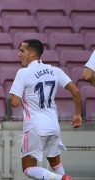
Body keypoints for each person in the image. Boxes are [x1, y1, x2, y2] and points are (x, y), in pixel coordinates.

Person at [9, 39, 82, 180]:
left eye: (22, 51)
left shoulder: (23, 73)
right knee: (55, 163)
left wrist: (15, 92)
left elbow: (14, 103)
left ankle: (60, 179)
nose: (19, 54)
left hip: (34, 127)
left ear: (32, 54)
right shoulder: (55, 70)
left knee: (28, 168)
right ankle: (63, 178)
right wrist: (78, 114)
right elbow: (76, 92)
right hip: (53, 125)